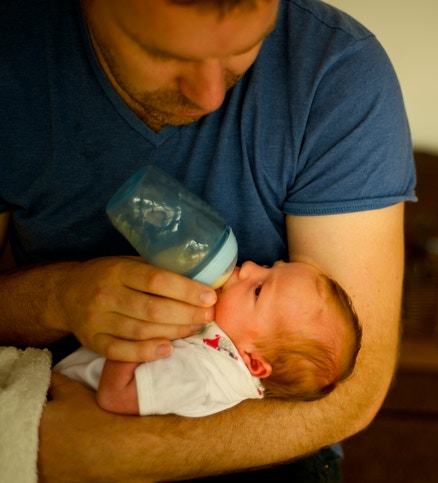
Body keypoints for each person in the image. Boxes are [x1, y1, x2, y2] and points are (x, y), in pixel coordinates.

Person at [0, 0, 416, 480]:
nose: (211, 97)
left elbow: (350, 386)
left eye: (243, 47)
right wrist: (58, 297)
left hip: (263, 443)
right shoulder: (15, 56)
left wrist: (127, 452)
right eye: (165, 52)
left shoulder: (338, 72)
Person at [55, 260, 363, 417]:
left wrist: (146, 326)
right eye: (269, 267)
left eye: (258, 290)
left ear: (254, 362)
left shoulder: (206, 377)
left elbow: (116, 398)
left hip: (58, 404)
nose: (250, 268)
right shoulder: (219, 345)